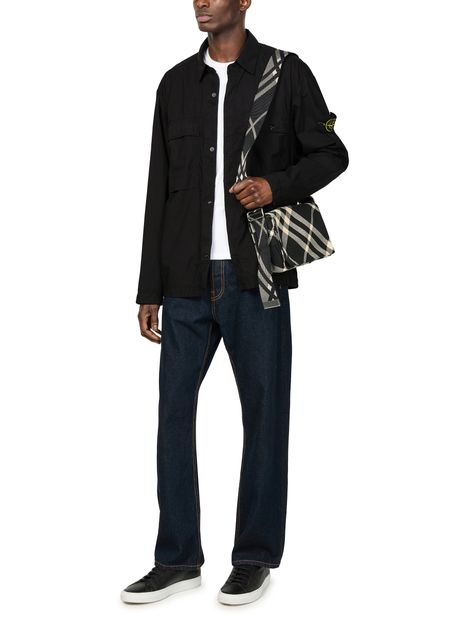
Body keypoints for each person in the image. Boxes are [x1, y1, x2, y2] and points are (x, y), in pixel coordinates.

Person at [121, 0, 349, 607]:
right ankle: (176, 559)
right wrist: (148, 288)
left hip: (258, 280)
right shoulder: (174, 84)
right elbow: (157, 188)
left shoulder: (285, 72)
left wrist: (275, 185)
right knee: (173, 416)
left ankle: (253, 557)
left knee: (265, 417)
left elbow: (332, 153)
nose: (201, 1)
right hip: (184, 281)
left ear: (244, 0)